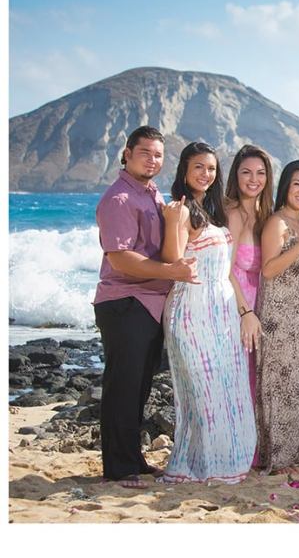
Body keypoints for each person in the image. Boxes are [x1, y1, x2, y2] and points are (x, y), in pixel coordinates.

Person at [93, 126, 198, 489]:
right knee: (122, 386)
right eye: (145, 153)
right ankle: (119, 469)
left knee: (138, 387)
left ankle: (132, 459)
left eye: (157, 154)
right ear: (126, 153)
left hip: (150, 303)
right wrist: (171, 272)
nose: (152, 160)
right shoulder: (119, 199)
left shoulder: (151, 195)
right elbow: (121, 259)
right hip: (125, 301)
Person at [160, 142, 257, 484]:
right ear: (184, 171)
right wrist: (172, 222)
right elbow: (174, 262)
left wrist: (243, 309)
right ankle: (202, 464)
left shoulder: (214, 209)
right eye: (199, 167)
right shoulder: (181, 210)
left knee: (226, 386)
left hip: (223, 309)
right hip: (193, 307)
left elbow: (228, 267)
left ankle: (226, 460)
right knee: (202, 390)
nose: (205, 174)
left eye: (212, 168)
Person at [255, 161, 299, 474]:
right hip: (280, 319)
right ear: (285, 186)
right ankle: (277, 458)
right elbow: (268, 270)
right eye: (297, 184)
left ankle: (296, 456)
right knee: (281, 387)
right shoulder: (277, 223)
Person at [225, 144, 274, 467]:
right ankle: (235, 451)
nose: (253, 179)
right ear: (236, 176)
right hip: (237, 306)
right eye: (246, 172)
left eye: (260, 173)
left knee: (257, 382)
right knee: (237, 380)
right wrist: (245, 312)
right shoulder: (232, 212)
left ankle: (254, 452)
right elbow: (224, 270)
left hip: (263, 307)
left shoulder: (267, 215)